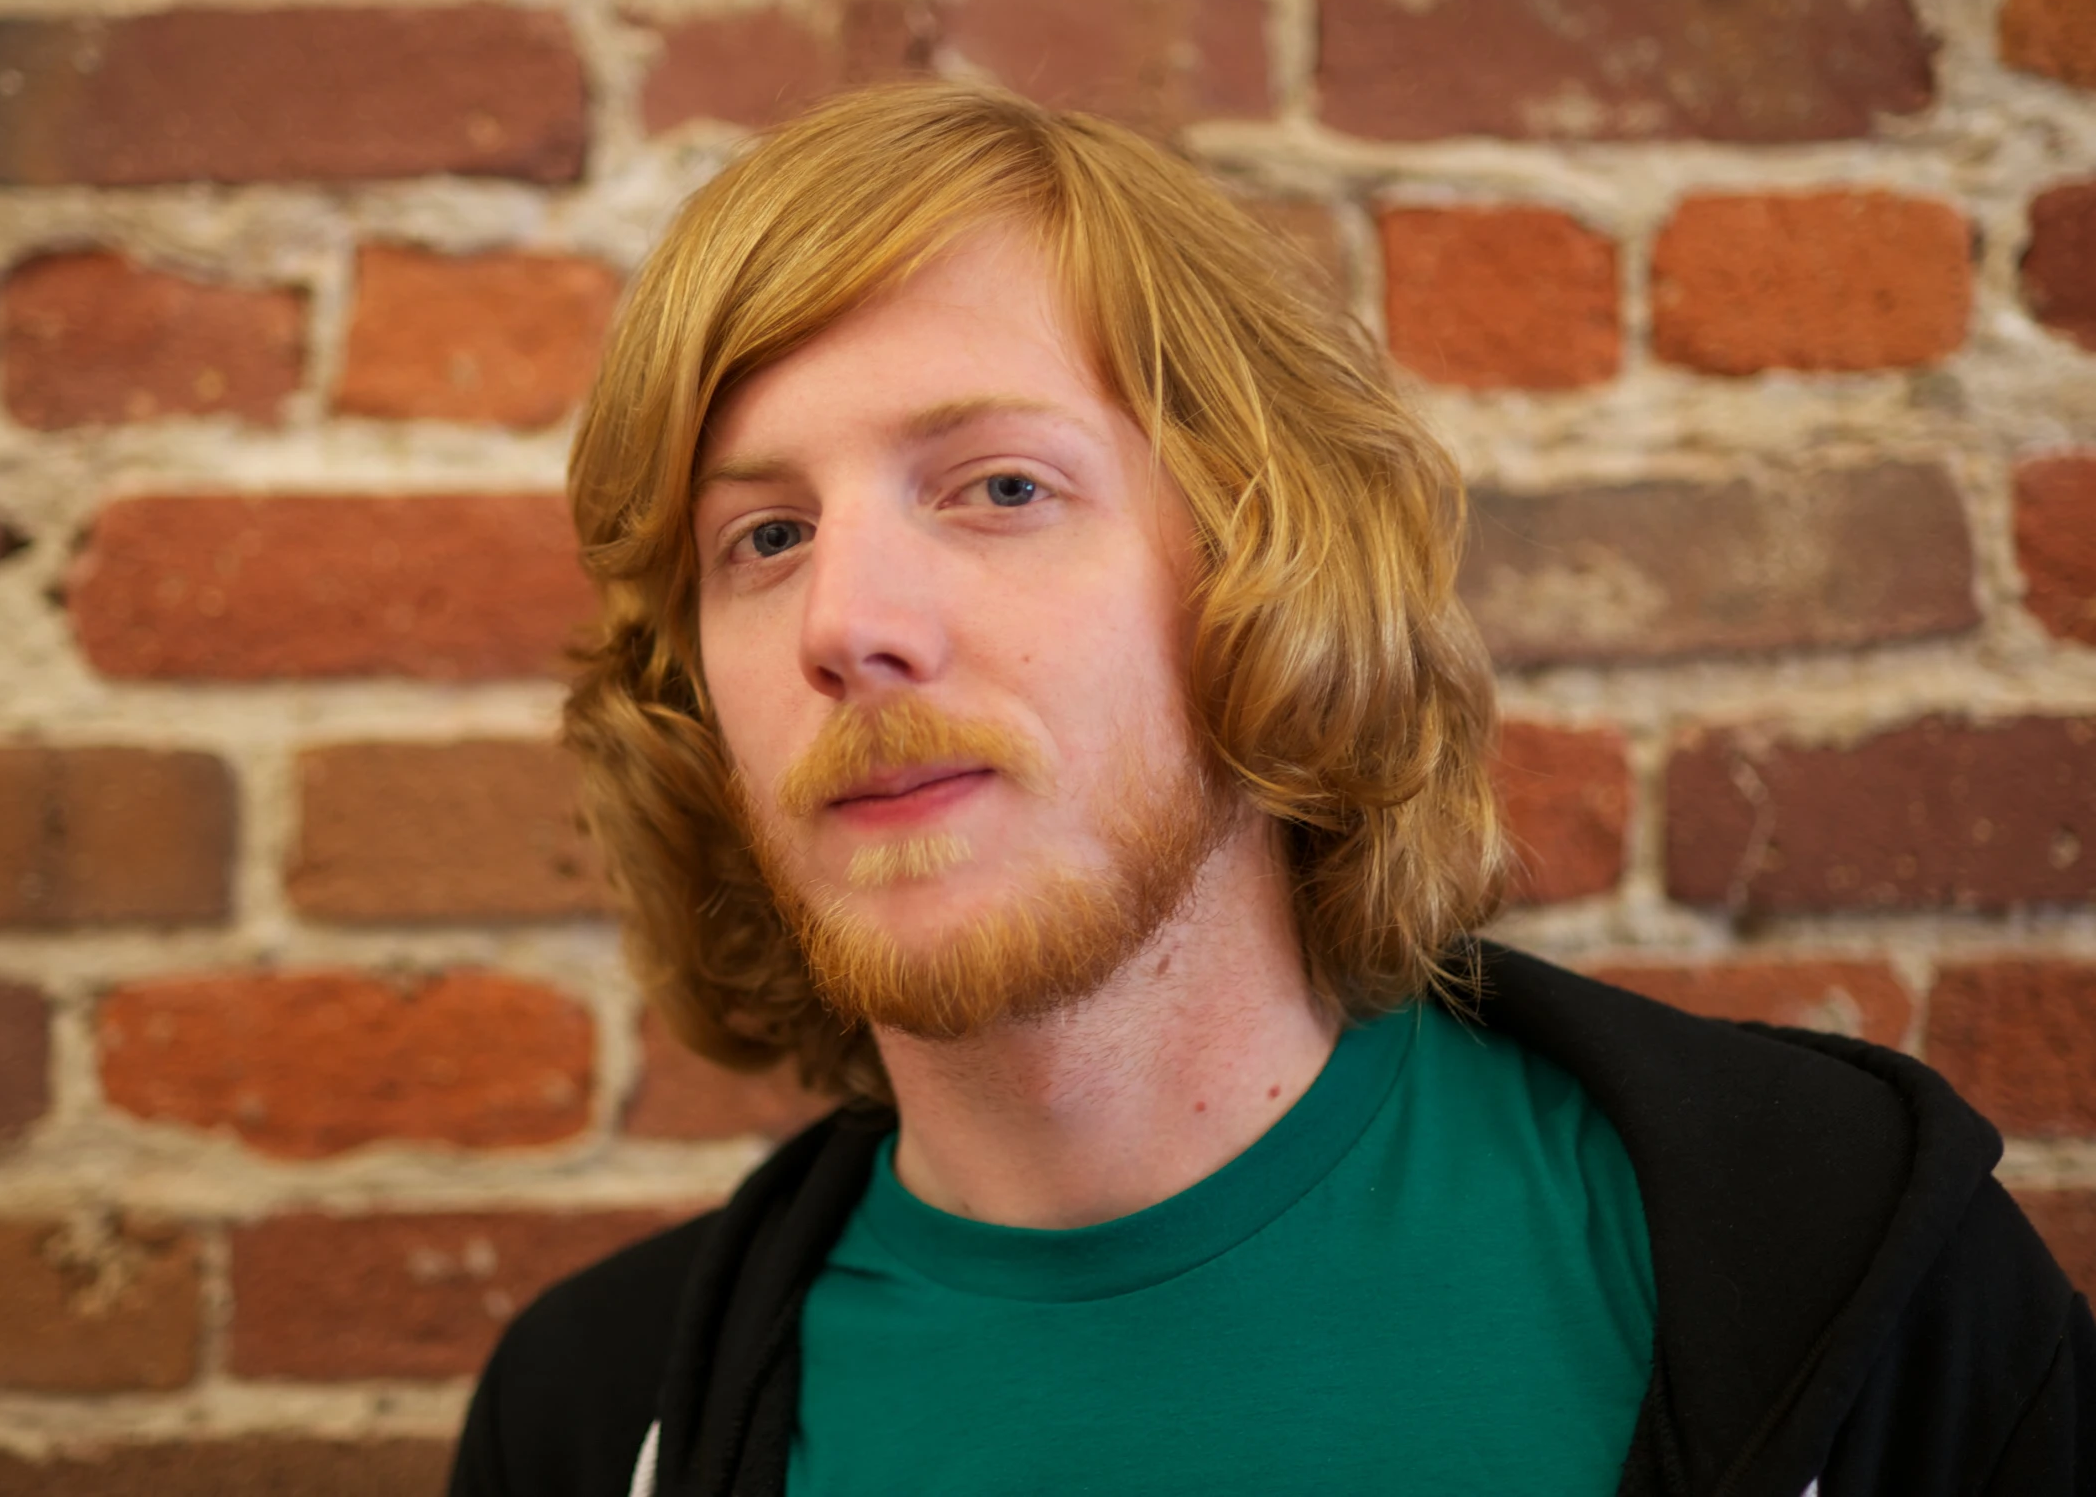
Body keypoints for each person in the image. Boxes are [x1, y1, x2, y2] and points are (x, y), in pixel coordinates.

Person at [448, 82, 2093, 1497]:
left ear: (1265, 577)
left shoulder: (1845, 1257)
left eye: (1001, 485)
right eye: (766, 535)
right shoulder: (596, 1422)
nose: (846, 623)